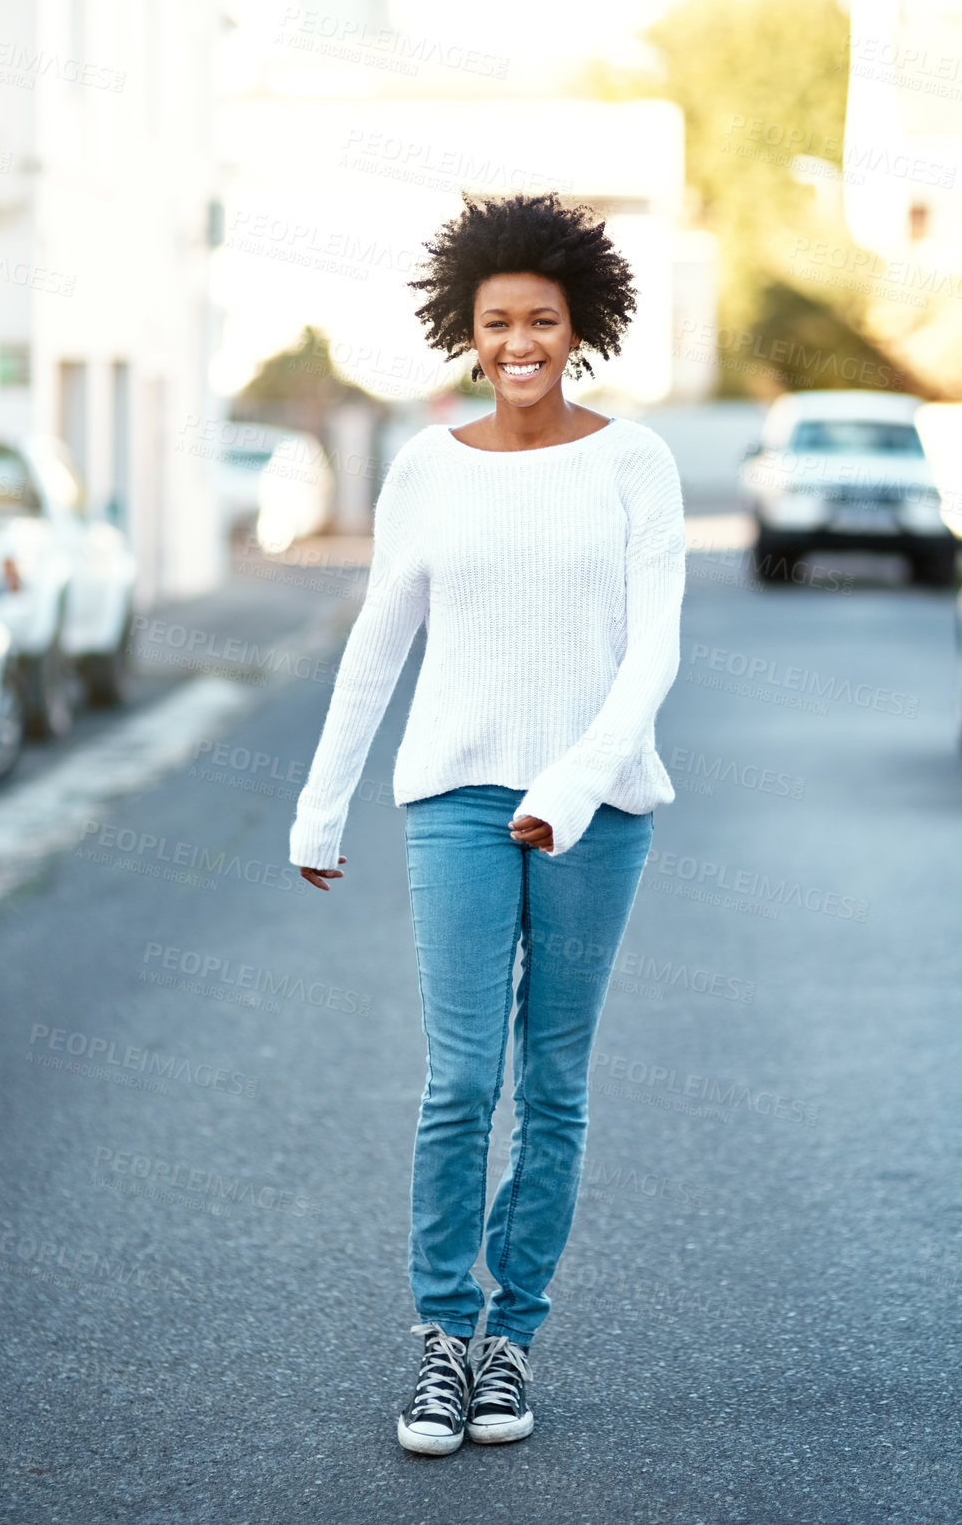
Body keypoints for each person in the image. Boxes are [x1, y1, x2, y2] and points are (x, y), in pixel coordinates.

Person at [289, 191, 686, 1456]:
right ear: (468, 332)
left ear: (581, 329)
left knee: (555, 1086)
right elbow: (377, 644)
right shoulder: (424, 467)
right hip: (456, 801)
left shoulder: (636, 463)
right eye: (499, 321)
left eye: (545, 320)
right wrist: (321, 799)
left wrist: (571, 786)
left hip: (596, 808)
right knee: (463, 1081)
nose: (522, 342)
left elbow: (655, 651)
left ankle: (513, 1341)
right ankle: (441, 1344)